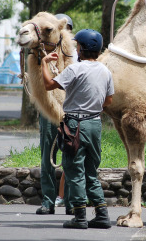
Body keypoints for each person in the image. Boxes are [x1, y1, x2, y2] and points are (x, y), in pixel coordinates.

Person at [41, 29, 114, 229]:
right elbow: (108, 100)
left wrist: (44, 63)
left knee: (74, 170)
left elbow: (48, 85)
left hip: (76, 125)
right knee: (91, 171)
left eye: (78, 46)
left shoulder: (75, 69)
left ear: (83, 48)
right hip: (94, 125)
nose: (77, 50)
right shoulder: (105, 71)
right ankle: (102, 215)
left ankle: (80, 216)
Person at [36, 13, 73, 215]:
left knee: (70, 155)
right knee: (46, 156)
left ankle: (70, 201)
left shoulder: (74, 55)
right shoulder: (41, 55)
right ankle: (48, 201)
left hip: (69, 109)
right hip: (49, 110)